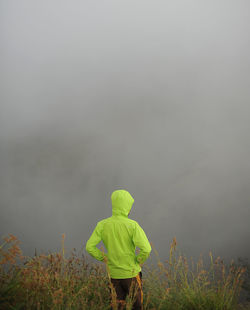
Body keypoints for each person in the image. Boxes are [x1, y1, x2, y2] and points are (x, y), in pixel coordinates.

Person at [86, 189, 151, 310]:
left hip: (113, 275)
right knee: (137, 306)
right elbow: (146, 249)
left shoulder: (102, 224)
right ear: (127, 207)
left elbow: (89, 247)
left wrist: (104, 258)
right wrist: (138, 260)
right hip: (131, 274)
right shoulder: (133, 225)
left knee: (116, 306)